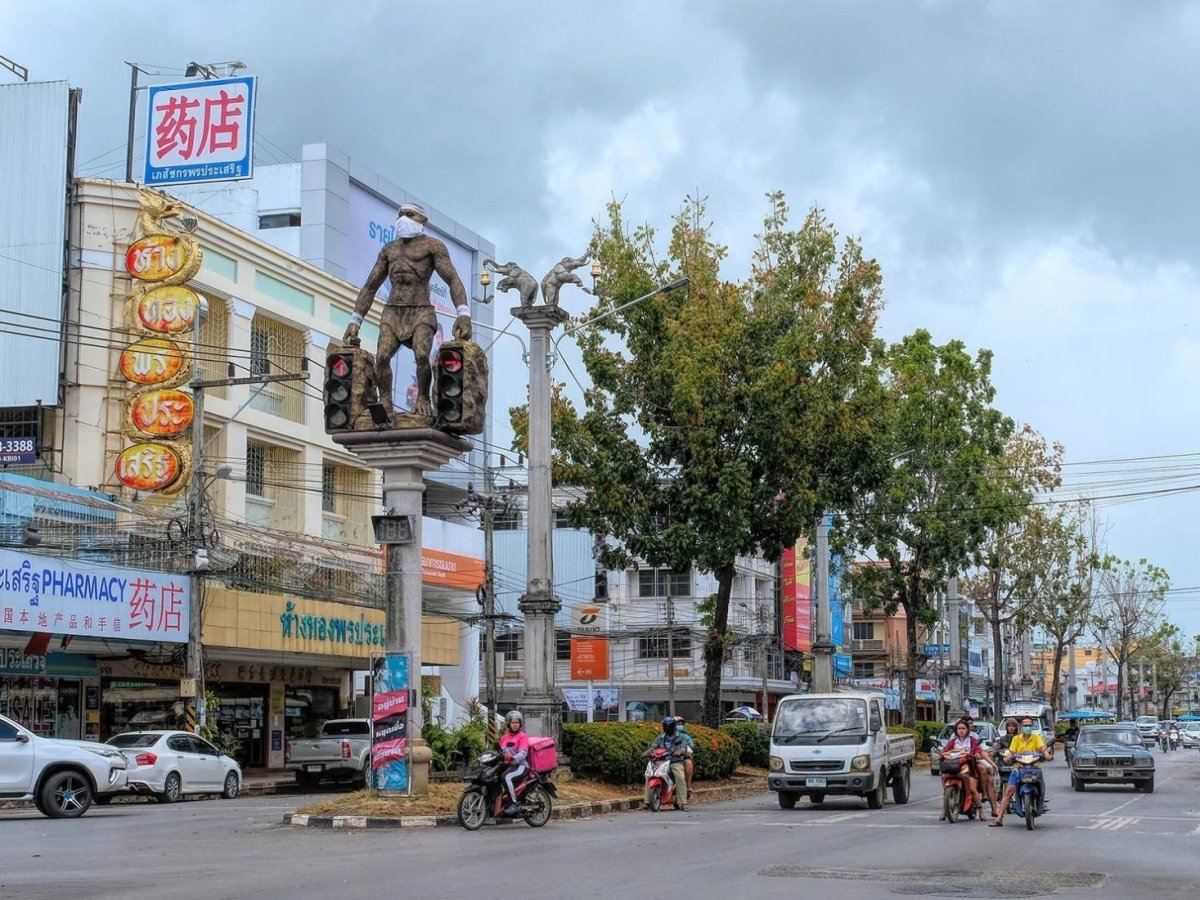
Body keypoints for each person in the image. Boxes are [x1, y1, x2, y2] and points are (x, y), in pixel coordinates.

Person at [343, 202, 471, 419]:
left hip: (420, 310)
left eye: (409, 214)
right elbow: (370, 286)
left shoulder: (433, 247)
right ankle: (385, 402)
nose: (403, 218)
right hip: (393, 312)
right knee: (382, 357)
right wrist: (355, 321)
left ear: (422, 220)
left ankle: (422, 398)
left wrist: (463, 314)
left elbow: (453, 280)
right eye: (400, 214)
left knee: (422, 355)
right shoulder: (389, 250)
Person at [991, 717, 1052, 827]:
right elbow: (1011, 751)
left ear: (1032, 727)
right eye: (1025, 725)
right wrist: (1007, 757)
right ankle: (999, 818)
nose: (1027, 727)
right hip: (1018, 768)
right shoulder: (1016, 739)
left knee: (1040, 783)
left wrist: (1047, 754)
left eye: (1029, 725)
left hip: (1034, 767)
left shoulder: (1036, 737)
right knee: (1009, 791)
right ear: (1021, 727)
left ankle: (1041, 802)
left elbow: (1042, 748)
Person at [938, 719, 990, 821]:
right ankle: (944, 810)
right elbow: (945, 751)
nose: (961, 731)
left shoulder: (972, 741)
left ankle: (981, 811)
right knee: (944, 779)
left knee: (972, 788)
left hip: (969, 768)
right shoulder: (952, 742)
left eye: (963, 728)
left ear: (967, 730)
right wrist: (942, 755)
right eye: (959, 729)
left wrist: (972, 754)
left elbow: (976, 750)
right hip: (954, 767)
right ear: (956, 730)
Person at [647, 716, 689, 811]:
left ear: (673, 726)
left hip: (675, 761)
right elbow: (653, 747)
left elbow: (684, 747)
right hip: (661, 761)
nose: (668, 728)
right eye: (666, 726)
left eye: (669, 726)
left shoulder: (681, 737)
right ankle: (647, 801)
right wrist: (647, 752)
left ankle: (683, 802)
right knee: (649, 776)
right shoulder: (661, 738)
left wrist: (680, 752)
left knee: (680, 777)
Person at [498, 709, 530, 815]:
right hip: (508, 766)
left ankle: (514, 803)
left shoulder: (522, 736)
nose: (515, 725)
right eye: (513, 723)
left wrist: (513, 758)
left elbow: (523, 753)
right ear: (508, 724)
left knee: (506, 777)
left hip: (521, 766)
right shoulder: (504, 738)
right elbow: (500, 752)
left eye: (517, 722)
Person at [674, 715, 695, 791]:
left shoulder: (685, 736)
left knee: (689, 764)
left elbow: (691, 746)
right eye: (677, 724)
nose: (680, 726)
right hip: (669, 757)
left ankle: (688, 785)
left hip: (682, 757)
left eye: (681, 724)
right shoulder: (667, 735)